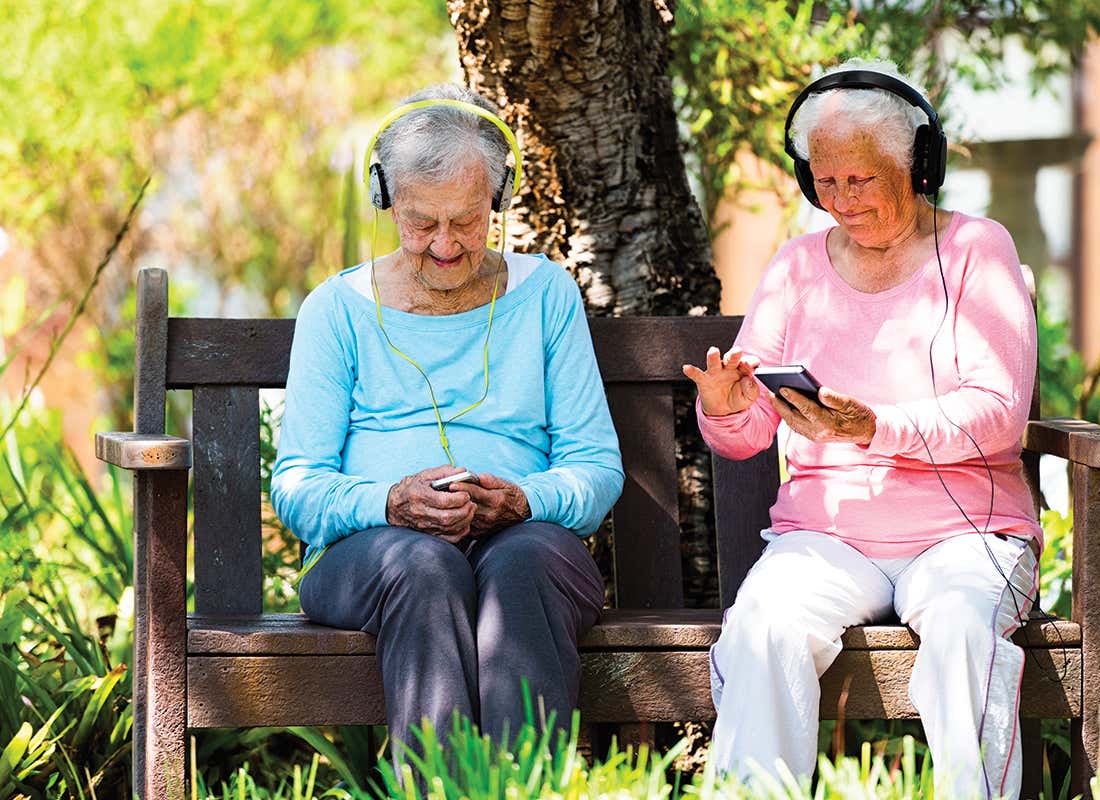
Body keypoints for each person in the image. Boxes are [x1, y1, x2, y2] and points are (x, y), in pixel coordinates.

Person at [683, 60, 1040, 799]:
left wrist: (878, 427)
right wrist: (724, 405)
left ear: (918, 165)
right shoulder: (794, 267)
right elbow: (749, 433)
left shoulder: (978, 250)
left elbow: (999, 416)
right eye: (825, 181)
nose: (840, 200)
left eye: (861, 180)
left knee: (963, 631)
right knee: (763, 627)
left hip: (966, 532)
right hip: (827, 535)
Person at [270, 84, 623, 770]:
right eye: (419, 221)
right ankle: (444, 789)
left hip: (523, 541)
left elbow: (595, 463)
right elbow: (298, 485)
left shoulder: (545, 294)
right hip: (371, 555)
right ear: (385, 200)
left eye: (465, 222)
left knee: (523, 561)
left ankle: (525, 787)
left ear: (498, 201)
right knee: (423, 564)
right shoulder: (336, 310)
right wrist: (388, 504)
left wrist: (525, 501)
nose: (443, 246)